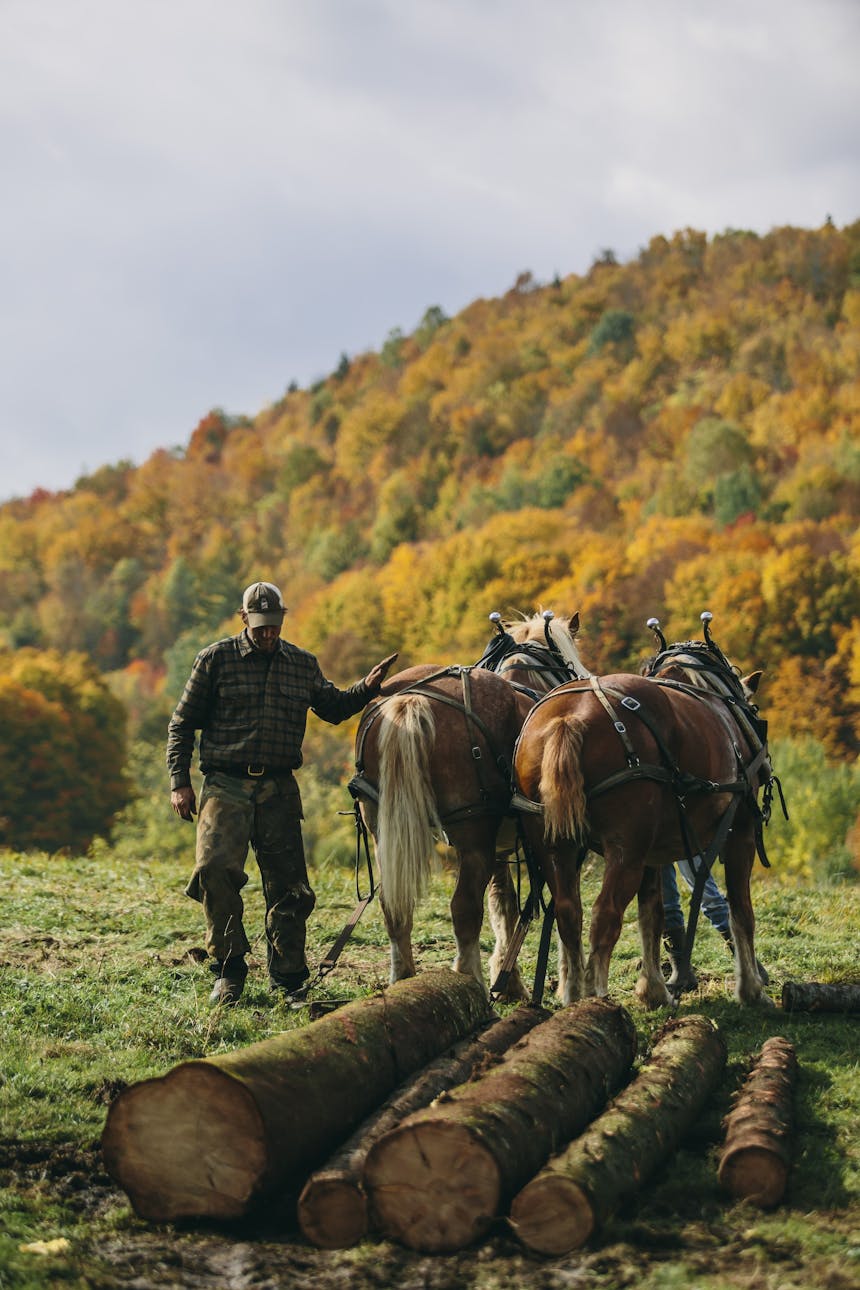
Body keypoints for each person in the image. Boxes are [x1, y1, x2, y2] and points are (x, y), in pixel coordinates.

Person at [167, 580, 397, 1006]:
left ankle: (289, 979)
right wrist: (180, 781)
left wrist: (365, 689)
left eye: (274, 626)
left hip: (278, 787)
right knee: (214, 871)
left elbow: (331, 707)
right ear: (244, 621)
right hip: (226, 782)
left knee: (290, 886)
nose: (268, 634)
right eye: (260, 628)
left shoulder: (301, 664)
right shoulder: (214, 660)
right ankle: (229, 971)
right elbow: (181, 724)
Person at [662, 860, 769, 989]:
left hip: (685, 842)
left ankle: (749, 965)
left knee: (709, 897)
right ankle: (681, 971)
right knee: (666, 903)